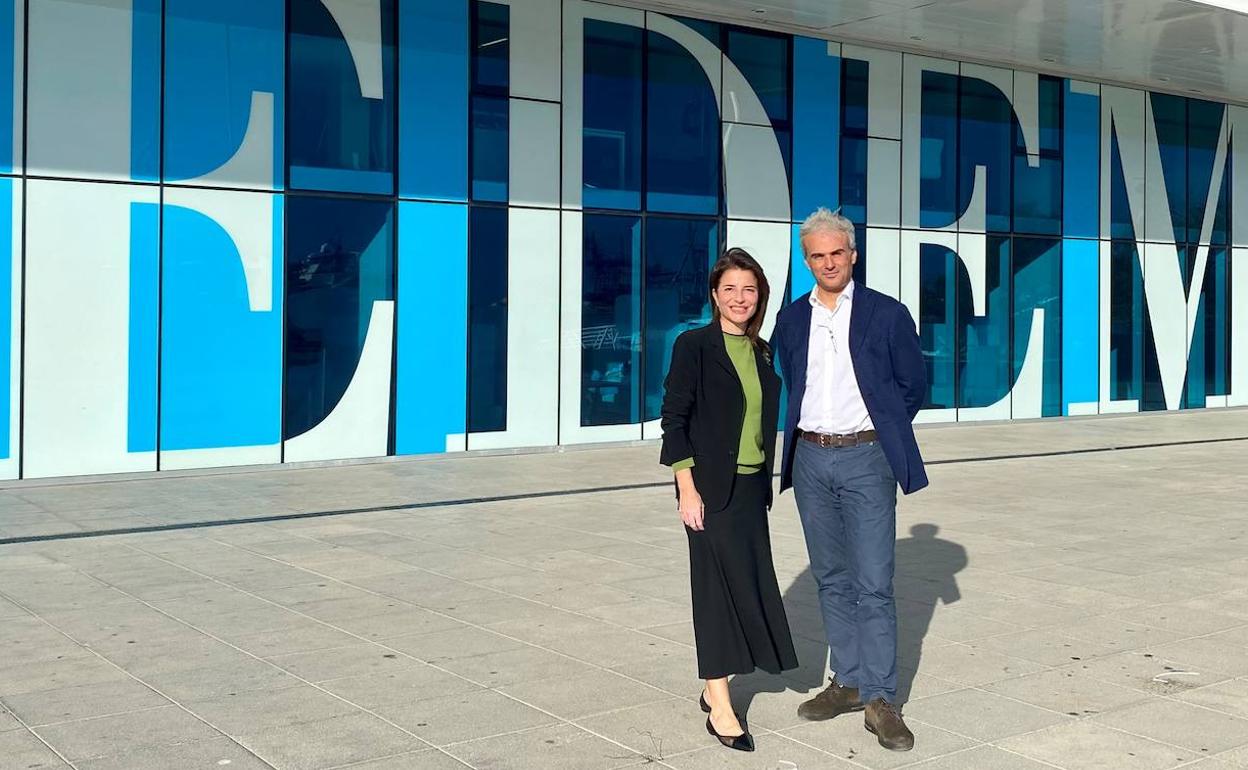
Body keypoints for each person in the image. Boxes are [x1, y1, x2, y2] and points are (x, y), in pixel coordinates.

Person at [771, 208, 928, 752]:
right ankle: (850, 681)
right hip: (811, 458)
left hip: (866, 458)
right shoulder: (792, 319)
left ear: (853, 254)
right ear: (807, 259)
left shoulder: (887, 314)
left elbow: (913, 386)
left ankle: (882, 699)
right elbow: (788, 382)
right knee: (831, 578)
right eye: (817, 254)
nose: (829, 262)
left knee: (874, 583)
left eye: (837, 252)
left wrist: (877, 432)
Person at [660, 247, 798, 753]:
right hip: (708, 491)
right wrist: (686, 488)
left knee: (747, 585)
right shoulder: (693, 345)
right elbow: (674, 419)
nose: (740, 298)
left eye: (749, 289)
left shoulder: (762, 352)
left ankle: (711, 683)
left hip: (749, 489)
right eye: (730, 289)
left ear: (759, 296)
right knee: (715, 593)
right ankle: (720, 702)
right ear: (715, 296)